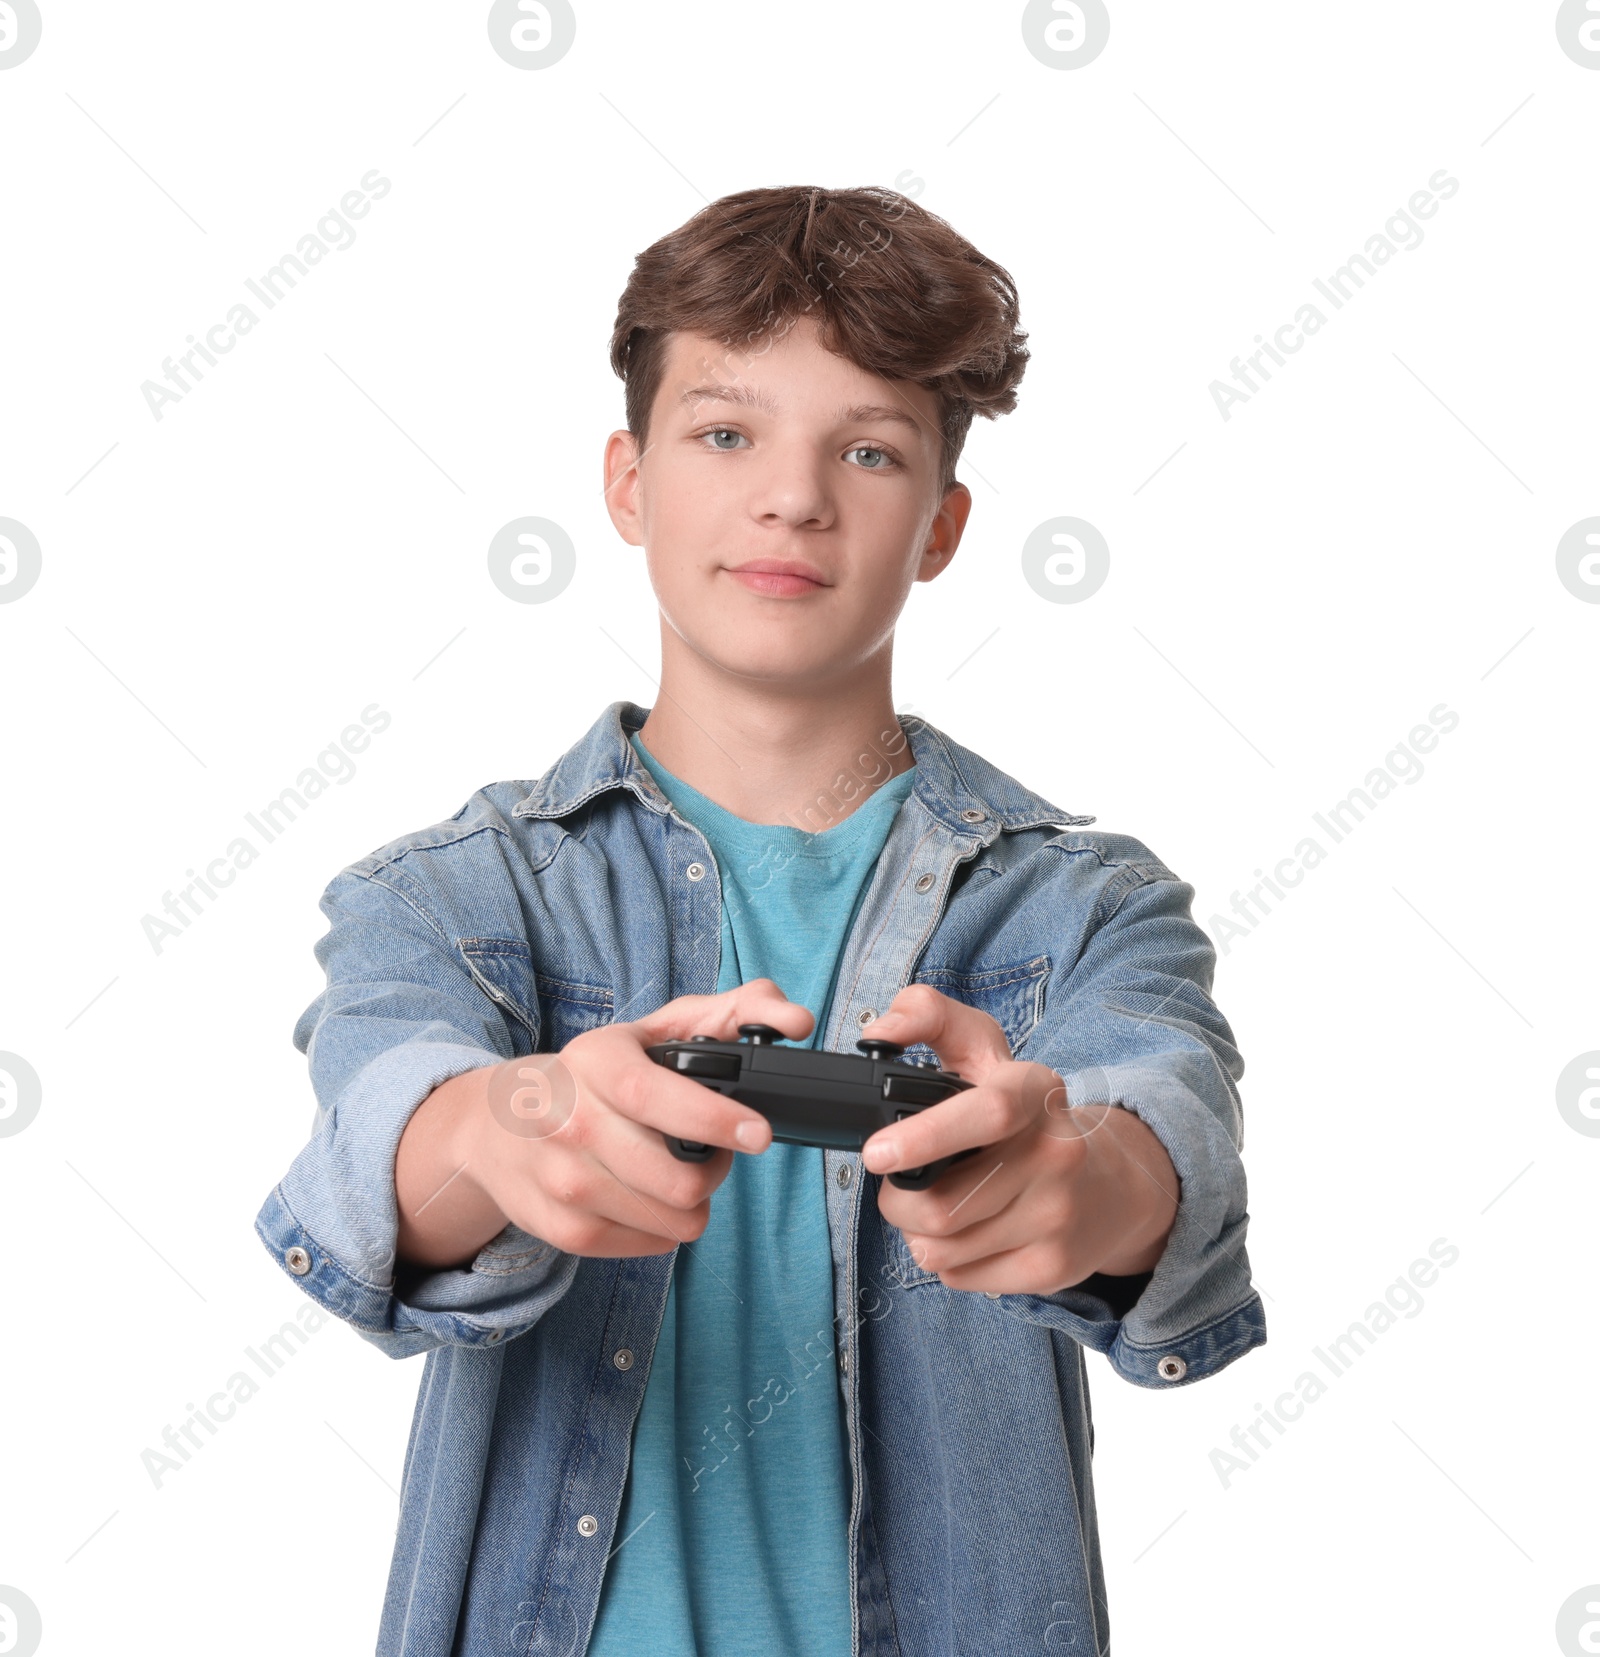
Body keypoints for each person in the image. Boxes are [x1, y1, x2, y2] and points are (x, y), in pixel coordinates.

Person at [254, 183, 1266, 1657]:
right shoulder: (455, 894)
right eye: (727, 432)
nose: (793, 496)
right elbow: (388, 1134)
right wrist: (507, 1127)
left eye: (867, 449)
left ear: (942, 525)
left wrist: (1077, 1174)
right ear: (627, 480)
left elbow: (1164, 1129)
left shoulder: (1087, 904)